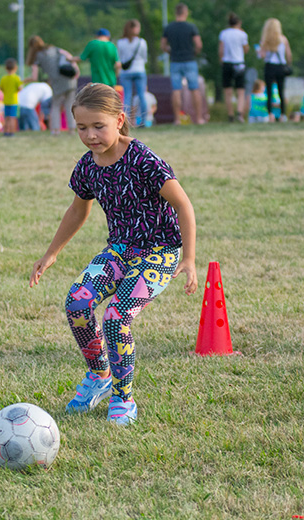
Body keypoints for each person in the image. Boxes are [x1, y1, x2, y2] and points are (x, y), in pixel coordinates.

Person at [29, 83, 197, 425]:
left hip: (159, 252)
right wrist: (52, 253)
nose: (90, 135)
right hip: (120, 250)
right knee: (77, 303)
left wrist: (189, 259)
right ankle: (99, 375)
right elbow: (78, 210)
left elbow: (183, 204)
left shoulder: (143, 159)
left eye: (98, 126)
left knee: (115, 318)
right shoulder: (87, 166)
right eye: (82, 128)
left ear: (119, 120)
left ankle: (123, 399)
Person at [161, 3, 204, 125]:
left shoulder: (169, 27)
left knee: (176, 90)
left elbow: (163, 45)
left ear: (176, 13)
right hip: (189, 60)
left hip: (175, 61)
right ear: (186, 13)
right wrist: (194, 53)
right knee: (195, 89)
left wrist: (170, 51)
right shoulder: (191, 27)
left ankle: (177, 119)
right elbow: (199, 44)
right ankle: (199, 119)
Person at [26, 35, 77, 135]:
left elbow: (34, 76)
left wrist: (27, 80)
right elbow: (68, 56)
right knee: (69, 105)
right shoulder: (53, 48)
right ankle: (72, 129)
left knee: (56, 105)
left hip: (57, 82)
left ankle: (55, 130)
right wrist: (76, 70)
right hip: (70, 79)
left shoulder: (37, 56)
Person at [259, 18, 292, 123]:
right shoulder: (283, 39)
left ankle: (270, 115)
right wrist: (288, 64)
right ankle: (282, 115)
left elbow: (262, 55)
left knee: (269, 92)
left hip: (270, 66)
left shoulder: (265, 41)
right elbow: (289, 55)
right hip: (281, 67)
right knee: (281, 91)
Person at [117, 19, 148, 126]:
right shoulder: (142, 42)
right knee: (142, 96)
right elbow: (144, 57)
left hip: (126, 71)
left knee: (127, 96)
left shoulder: (121, 42)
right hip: (140, 69)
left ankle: (126, 121)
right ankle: (144, 121)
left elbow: (119, 57)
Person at [219, 13, 249, 123]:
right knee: (240, 91)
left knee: (228, 91)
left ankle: (230, 115)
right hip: (239, 63)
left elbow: (221, 50)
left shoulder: (223, 33)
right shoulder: (242, 34)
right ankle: (240, 114)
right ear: (239, 23)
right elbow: (246, 49)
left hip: (227, 63)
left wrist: (221, 60)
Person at [0, 58, 22, 136]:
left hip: (6, 101)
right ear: (15, 67)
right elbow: (20, 88)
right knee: (12, 118)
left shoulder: (3, 78)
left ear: (6, 68)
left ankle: (6, 132)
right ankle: (12, 132)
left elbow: (1, 88)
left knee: (6, 118)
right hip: (13, 101)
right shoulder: (16, 78)